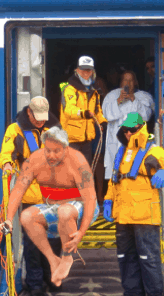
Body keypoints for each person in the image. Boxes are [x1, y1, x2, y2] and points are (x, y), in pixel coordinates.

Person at [102, 113, 164, 296]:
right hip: (123, 214)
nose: (127, 133)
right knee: (125, 256)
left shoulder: (155, 152)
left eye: (131, 130)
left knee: (149, 257)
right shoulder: (122, 151)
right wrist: (108, 200)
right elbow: (114, 180)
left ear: (140, 129)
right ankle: (133, 295)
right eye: (125, 130)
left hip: (146, 214)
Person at [1, 126, 99, 287]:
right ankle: (53, 260)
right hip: (54, 206)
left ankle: (67, 258)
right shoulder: (35, 160)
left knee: (65, 211)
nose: (51, 155)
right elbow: (18, 190)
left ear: (66, 149)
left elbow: (91, 199)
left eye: (56, 151)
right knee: (26, 216)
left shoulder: (78, 162)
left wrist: (81, 233)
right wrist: (9, 219)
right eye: (48, 150)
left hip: (82, 206)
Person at [0, 96, 62, 296]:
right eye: (37, 117)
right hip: (32, 194)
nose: (41, 121)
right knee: (34, 243)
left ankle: (51, 276)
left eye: (44, 117)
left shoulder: (55, 129)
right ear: (29, 113)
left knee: (55, 239)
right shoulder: (15, 130)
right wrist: (7, 164)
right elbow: (5, 153)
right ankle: (35, 283)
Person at [60, 56, 108, 205]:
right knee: (71, 172)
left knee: (86, 173)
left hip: (87, 139)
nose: (86, 73)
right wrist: (83, 113)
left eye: (88, 70)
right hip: (72, 139)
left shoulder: (94, 91)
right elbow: (69, 109)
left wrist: (103, 122)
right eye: (83, 70)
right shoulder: (69, 88)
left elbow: (97, 111)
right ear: (77, 70)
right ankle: (69, 202)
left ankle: (84, 203)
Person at [102, 70, 155, 182]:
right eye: (125, 80)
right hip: (116, 143)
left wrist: (134, 100)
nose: (128, 83)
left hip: (136, 142)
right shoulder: (112, 96)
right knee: (116, 174)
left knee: (134, 172)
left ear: (135, 82)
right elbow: (107, 115)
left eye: (131, 80)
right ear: (121, 82)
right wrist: (119, 100)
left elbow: (146, 116)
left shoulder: (144, 96)